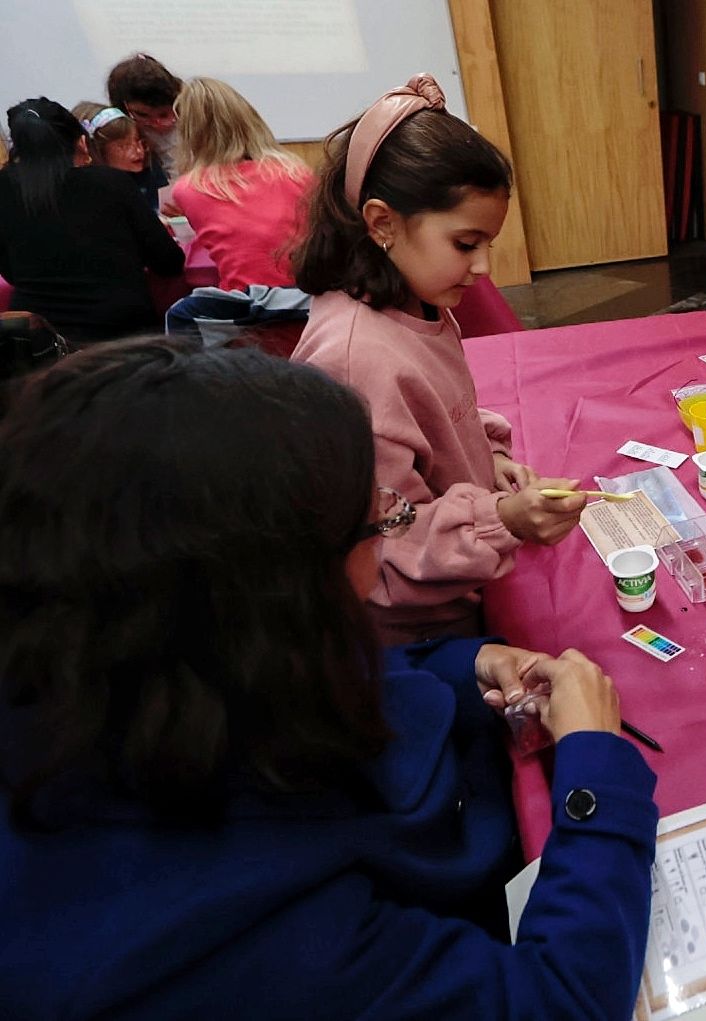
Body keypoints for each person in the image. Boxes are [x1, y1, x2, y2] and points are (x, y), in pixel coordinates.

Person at [0, 341, 658, 1018]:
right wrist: (593, 776)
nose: (382, 561)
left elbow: (357, 678)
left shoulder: (136, 669)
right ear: (279, 593)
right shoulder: (250, 946)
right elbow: (557, 1001)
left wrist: (468, 664)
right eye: (378, 525)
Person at [291, 75, 586, 644]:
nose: (482, 269)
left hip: (462, 580)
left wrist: (486, 460)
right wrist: (504, 519)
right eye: (465, 244)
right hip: (417, 632)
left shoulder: (418, 302)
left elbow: (441, 422)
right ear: (382, 223)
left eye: (488, 244)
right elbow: (384, 545)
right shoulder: (356, 360)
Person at [0, 99, 183, 344]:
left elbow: (11, 272)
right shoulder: (111, 183)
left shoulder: (4, 189)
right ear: (82, 142)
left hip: (39, 341)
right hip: (122, 338)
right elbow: (168, 262)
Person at [170, 77, 314, 291]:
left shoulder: (189, 189)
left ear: (190, 134)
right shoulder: (298, 172)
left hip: (249, 304)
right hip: (307, 297)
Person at [106, 52, 182, 178]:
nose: (156, 125)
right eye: (143, 115)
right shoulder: (124, 131)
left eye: (164, 115)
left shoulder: (194, 118)